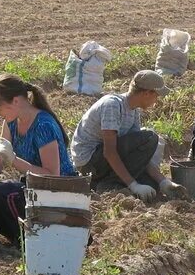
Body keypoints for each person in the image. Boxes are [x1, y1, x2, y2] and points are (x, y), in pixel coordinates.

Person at [0, 74, 75, 243]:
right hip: (34, 187)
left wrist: (14, 159)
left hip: (60, 190)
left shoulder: (43, 125)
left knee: (6, 194)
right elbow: (1, 160)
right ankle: (25, 237)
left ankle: (32, 241)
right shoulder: (10, 123)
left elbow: (52, 175)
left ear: (16, 101)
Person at [70, 70, 181, 201]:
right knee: (150, 138)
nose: (156, 101)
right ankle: (108, 185)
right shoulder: (112, 105)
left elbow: (139, 154)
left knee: (151, 185)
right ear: (146, 93)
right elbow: (109, 152)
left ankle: (105, 182)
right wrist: (133, 185)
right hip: (89, 162)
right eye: (156, 96)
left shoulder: (133, 111)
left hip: (102, 161)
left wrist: (162, 181)